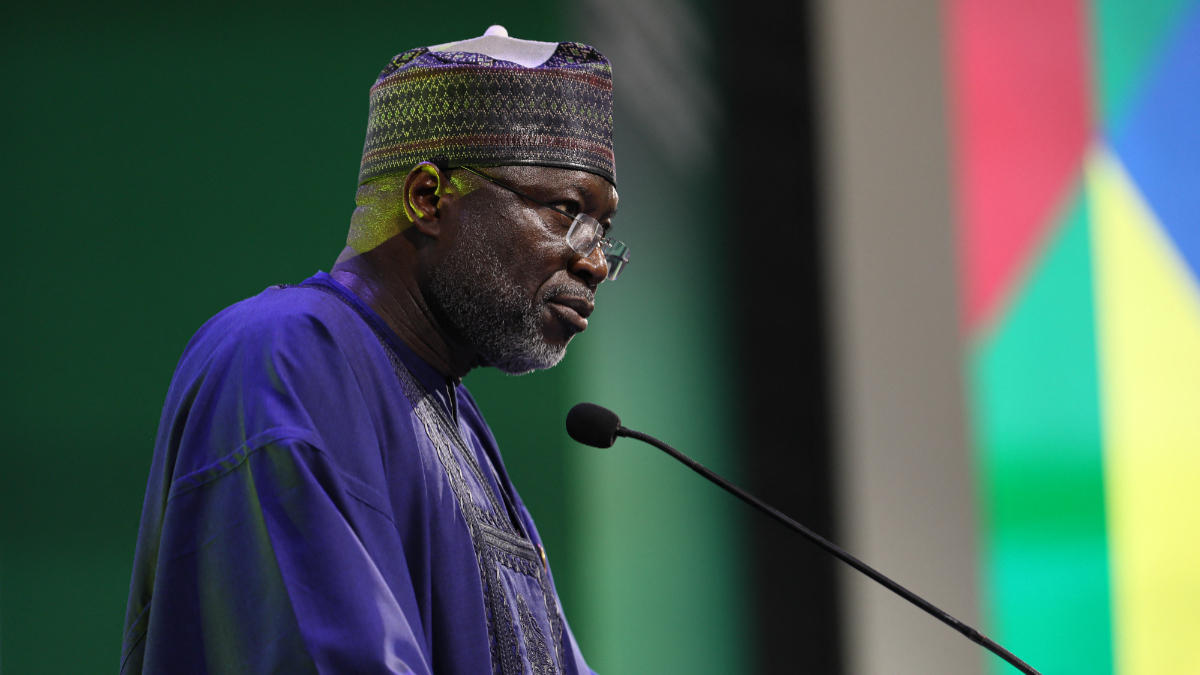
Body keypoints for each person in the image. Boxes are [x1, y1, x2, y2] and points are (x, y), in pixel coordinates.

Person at [120, 26, 628, 675]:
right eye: (566, 211)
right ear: (428, 199)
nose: (593, 262)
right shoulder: (283, 355)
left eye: (603, 232)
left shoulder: (460, 425)